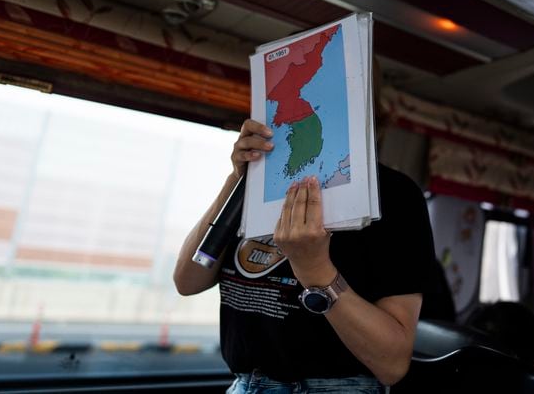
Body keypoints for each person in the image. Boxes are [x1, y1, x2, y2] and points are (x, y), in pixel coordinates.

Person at [173, 118, 436, 393]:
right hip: (244, 383)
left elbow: (391, 364)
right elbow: (187, 280)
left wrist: (315, 269)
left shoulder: (394, 194)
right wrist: (236, 180)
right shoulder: (256, 185)